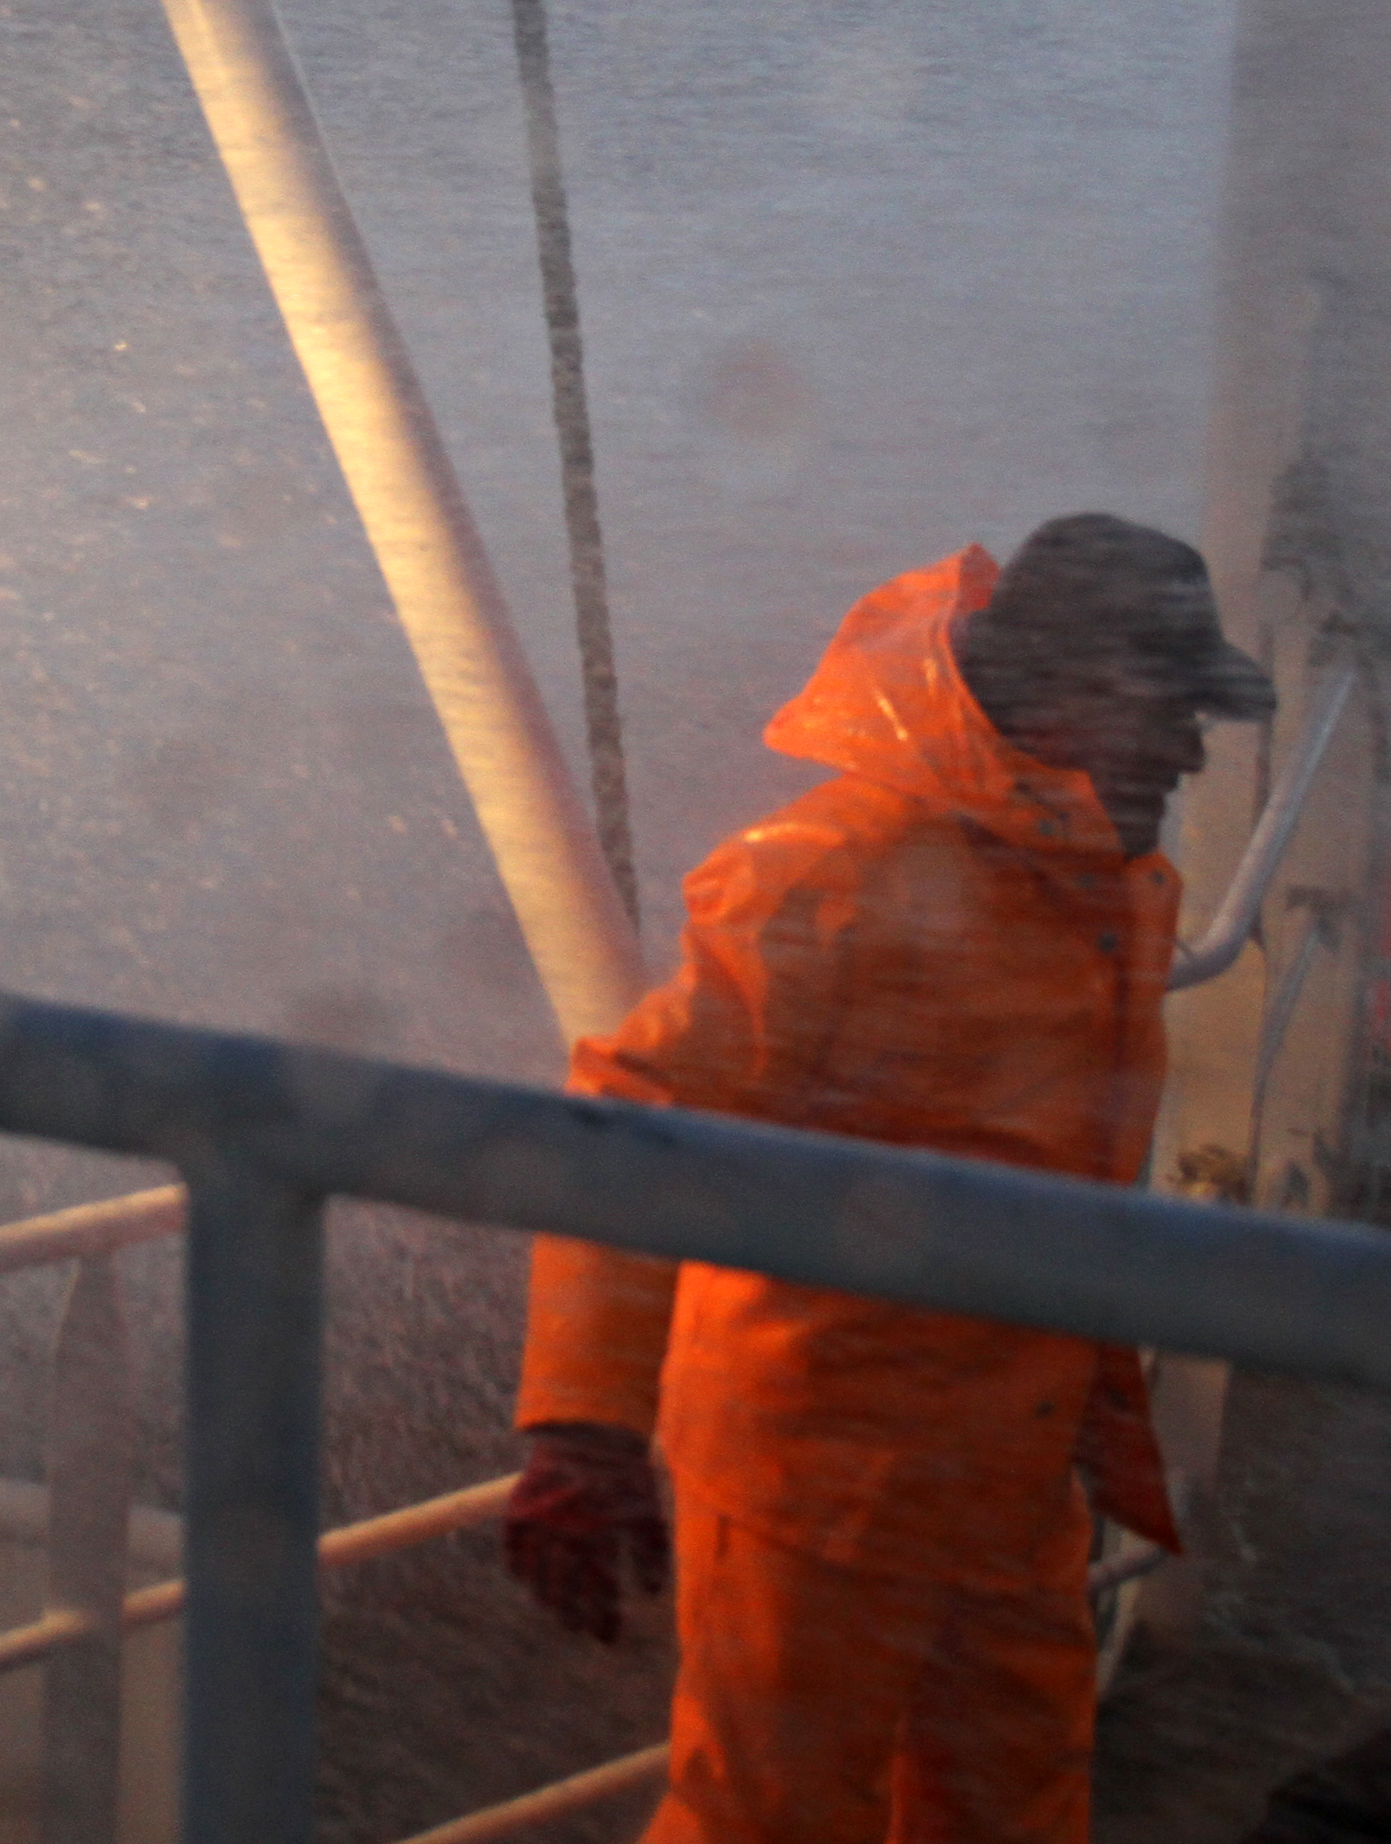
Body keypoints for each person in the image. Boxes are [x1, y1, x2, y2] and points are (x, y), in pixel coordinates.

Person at [500, 513, 1275, 1844]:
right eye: (1172, 707)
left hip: (1011, 1475)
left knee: (1014, 1807)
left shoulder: (1090, 872)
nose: (1195, 748)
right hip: (824, 1484)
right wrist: (581, 1426)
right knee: (768, 1817)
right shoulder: (829, 875)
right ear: (1068, 692)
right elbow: (631, 1118)